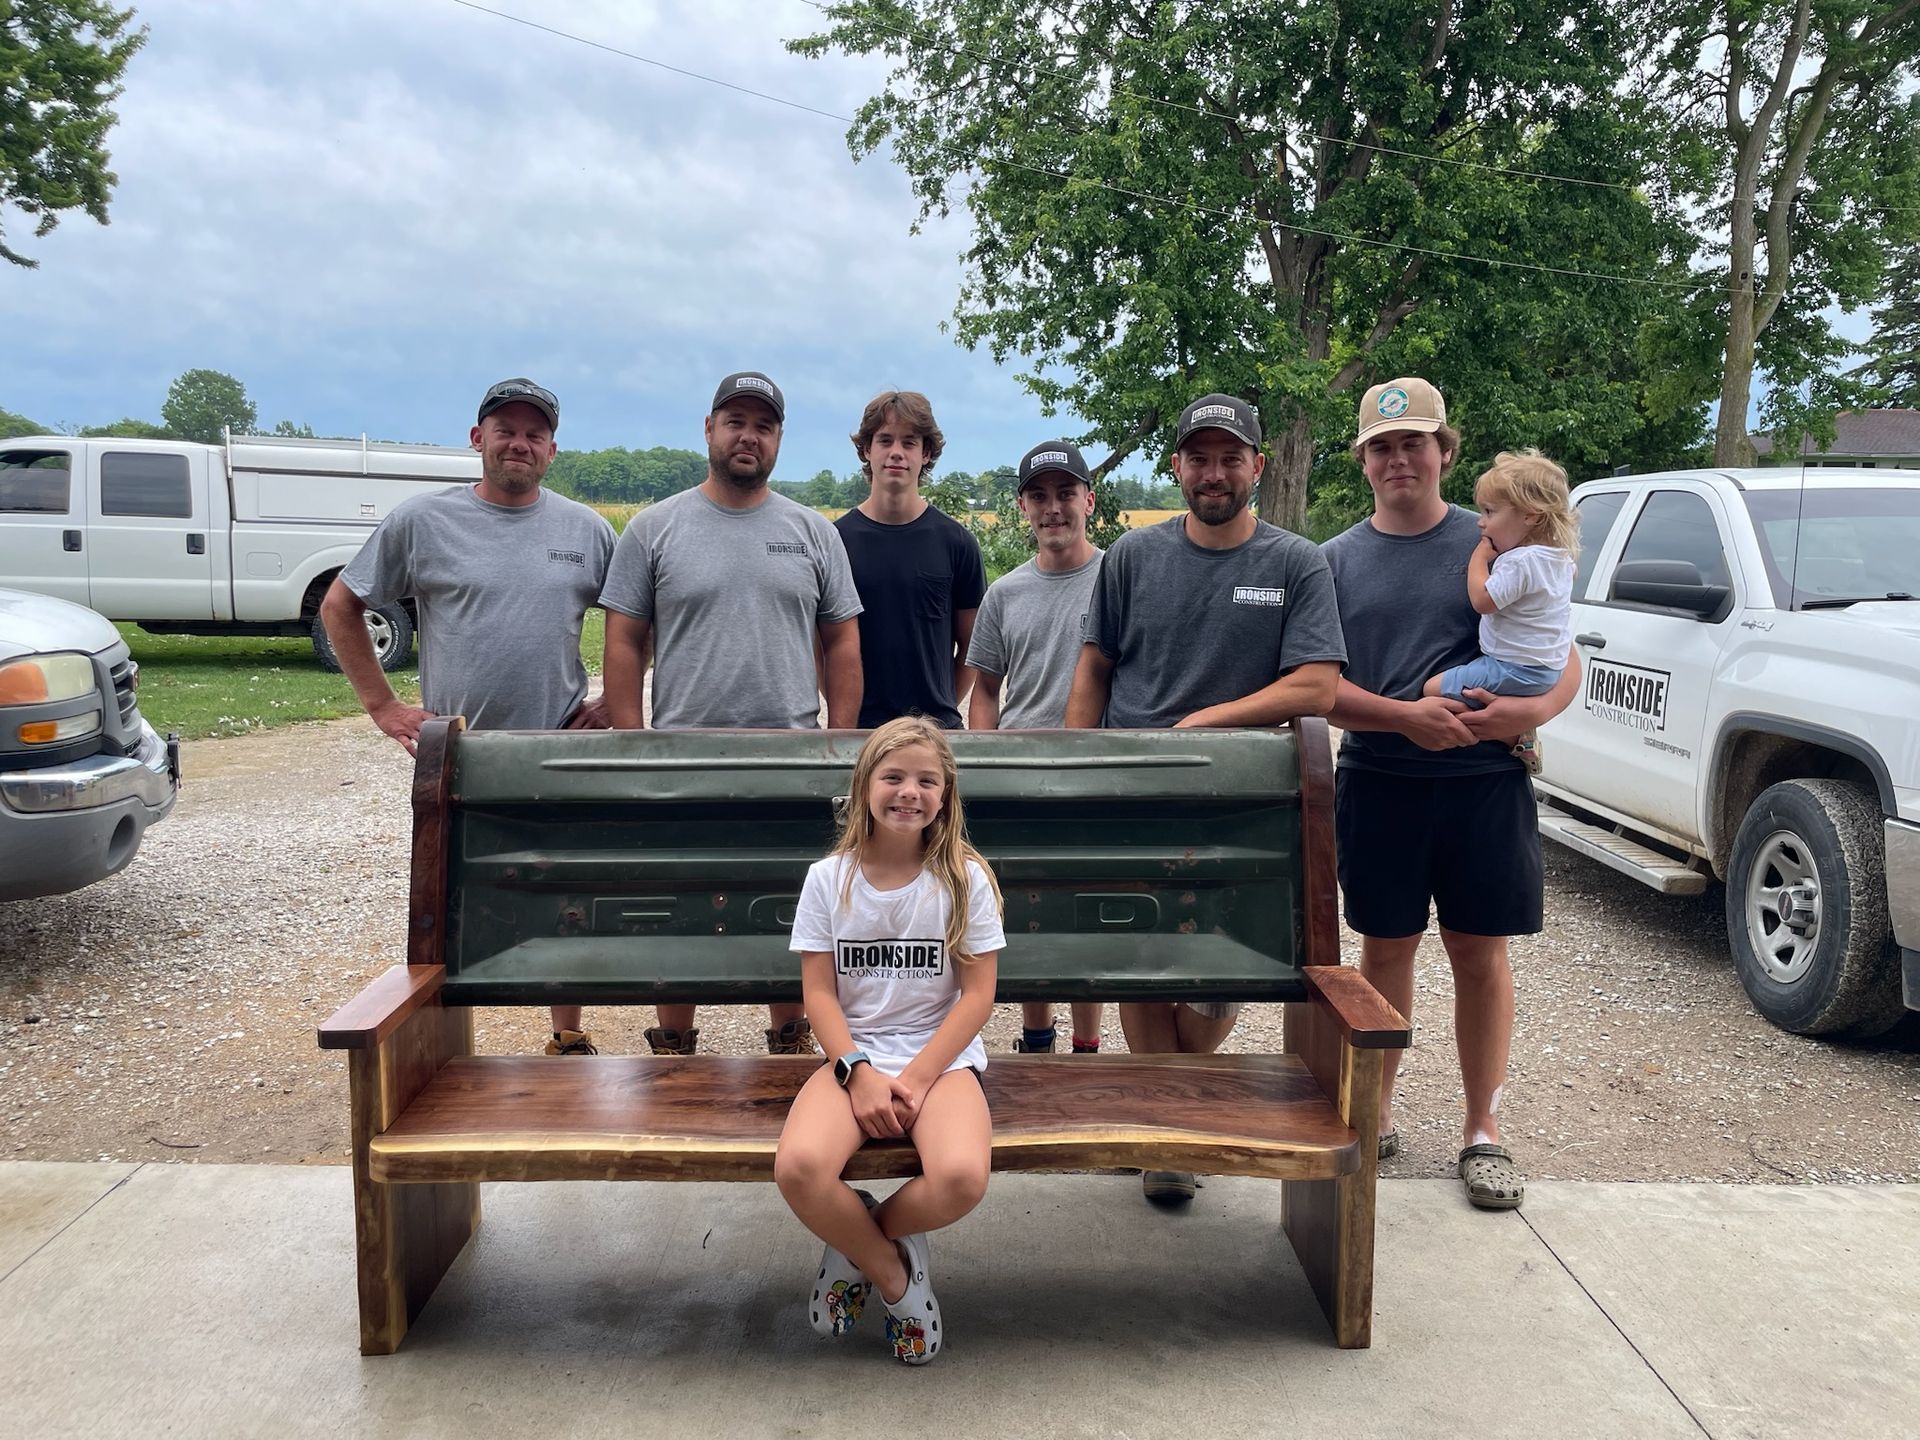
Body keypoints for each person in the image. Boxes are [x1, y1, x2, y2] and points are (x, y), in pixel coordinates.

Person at [1064, 393, 1346, 1205]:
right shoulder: (1131, 558)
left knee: (1221, 973)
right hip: (1133, 795)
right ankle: (1168, 1127)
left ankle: (1168, 1107)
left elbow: (1319, 683)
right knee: (1137, 959)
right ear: (1178, 466)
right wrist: (1077, 771)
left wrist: (1212, 720)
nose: (1214, 472)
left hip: (1244, 805)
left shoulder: (1297, 563)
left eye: (1231, 458)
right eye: (1199, 457)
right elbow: (1095, 669)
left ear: (1258, 466)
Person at [1322, 377, 1581, 1212]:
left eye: (1416, 442)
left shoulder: (1505, 536)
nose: (1400, 458)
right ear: (1364, 461)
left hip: (1482, 784)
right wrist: (1404, 719)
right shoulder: (1332, 561)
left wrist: (1535, 709)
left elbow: (1561, 654)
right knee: (1385, 952)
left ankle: (1482, 1130)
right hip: (1381, 780)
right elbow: (1317, 688)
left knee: (1479, 954)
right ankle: (1379, 1109)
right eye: (1383, 446)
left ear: (1444, 451)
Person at [322, 378, 616, 1057]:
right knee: (450, 901)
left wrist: (613, 704)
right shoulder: (422, 522)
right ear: (477, 438)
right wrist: (382, 705)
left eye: (534, 434)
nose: (520, 442)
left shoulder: (586, 530)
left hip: (558, 745)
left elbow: (636, 615)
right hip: (460, 754)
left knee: (562, 894)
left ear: (552, 450)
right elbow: (341, 605)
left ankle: (566, 1034)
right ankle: (445, 1049)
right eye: (505, 429)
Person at [600, 371, 864, 1058]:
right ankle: (675, 1042)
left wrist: (838, 740)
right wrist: (632, 745)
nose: (749, 435)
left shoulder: (813, 532)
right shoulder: (654, 530)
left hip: (795, 759)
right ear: (709, 429)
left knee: (791, 907)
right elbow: (624, 639)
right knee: (682, 908)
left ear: (778, 439)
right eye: (735, 421)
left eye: (764, 425)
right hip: (683, 757)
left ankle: (789, 1035)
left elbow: (842, 640)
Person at [772, 717, 1003, 1366]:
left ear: (946, 796)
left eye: (928, 781)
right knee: (799, 1169)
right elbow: (818, 993)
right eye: (894, 776)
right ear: (864, 785)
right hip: (857, 1054)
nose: (910, 792)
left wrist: (923, 1076)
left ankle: (854, 1245)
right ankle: (898, 1279)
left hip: (942, 1058)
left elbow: (978, 994)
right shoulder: (829, 879)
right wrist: (857, 1070)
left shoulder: (964, 879)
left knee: (959, 1177)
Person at [964, 438, 1106, 1055]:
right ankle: (1036, 1035)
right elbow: (986, 688)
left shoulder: (1116, 577)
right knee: (1022, 906)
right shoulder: (1006, 593)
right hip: (1018, 774)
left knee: (1086, 910)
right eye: (1039, 497)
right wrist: (982, 759)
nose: (1054, 509)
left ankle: (1088, 1043)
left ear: (1088, 502)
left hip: (1095, 773)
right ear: (1023, 507)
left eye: (1065, 494)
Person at [1420, 449, 1578, 776]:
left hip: (1511, 668)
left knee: (1432, 691)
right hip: (1548, 669)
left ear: (1530, 515)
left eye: (1490, 512)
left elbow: (1482, 599)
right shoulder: (1560, 559)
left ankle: (1514, 736)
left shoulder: (1520, 562)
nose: (1481, 522)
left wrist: (1479, 558)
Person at [834, 391, 986, 729]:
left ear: (926, 453)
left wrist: (939, 708)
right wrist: (842, 710)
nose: (896, 453)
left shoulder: (957, 543)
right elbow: (821, 646)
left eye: (909, 442)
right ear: (866, 450)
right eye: (885, 440)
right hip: (860, 731)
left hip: (936, 732)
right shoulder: (835, 542)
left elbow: (973, 650)